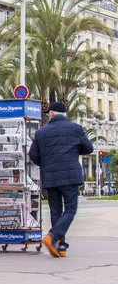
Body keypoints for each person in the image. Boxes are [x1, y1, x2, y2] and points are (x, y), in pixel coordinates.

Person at [28, 101, 93, 258]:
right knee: (70, 208)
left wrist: (47, 164)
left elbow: (33, 154)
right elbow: (88, 148)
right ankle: (53, 236)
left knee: (55, 210)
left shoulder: (41, 132)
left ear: (51, 114)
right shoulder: (76, 129)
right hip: (70, 177)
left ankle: (60, 246)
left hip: (50, 177)